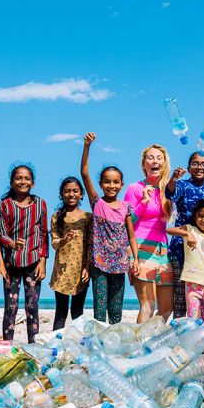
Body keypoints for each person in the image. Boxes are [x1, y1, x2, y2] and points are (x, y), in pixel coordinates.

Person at [81, 133, 140, 324]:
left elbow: (131, 236)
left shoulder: (125, 207)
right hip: (99, 263)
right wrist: (87, 146)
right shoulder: (97, 203)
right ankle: (100, 342)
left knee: (116, 309)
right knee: (100, 309)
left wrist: (136, 260)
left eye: (115, 182)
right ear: (100, 184)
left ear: (122, 185)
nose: (111, 185)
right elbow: (84, 173)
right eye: (107, 181)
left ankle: (114, 344)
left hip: (120, 263)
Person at [166, 151, 204, 318]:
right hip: (181, 247)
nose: (199, 167)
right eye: (195, 163)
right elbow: (170, 193)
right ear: (189, 167)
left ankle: (201, 333)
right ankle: (180, 333)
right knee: (181, 296)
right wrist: (174, 178)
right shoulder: (183, 185)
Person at [0, 164, 48, 343]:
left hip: (33, 263)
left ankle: (33, 345)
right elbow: (1, 234)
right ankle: (7, 345)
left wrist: (43, 262)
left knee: (32, 307)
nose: (23, 181)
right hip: (11, 264)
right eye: (18, 178)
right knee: (10, 308)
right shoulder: (4, 205)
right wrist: (12, 243)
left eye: (27, 178)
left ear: (32, 183)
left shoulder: (40, 204)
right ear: (11, 182)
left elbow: (43, 234)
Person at [125, 143, 173, 322]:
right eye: (150, 158)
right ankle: (140, 345)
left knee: (168, 307)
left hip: (163, 251)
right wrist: (144, 202)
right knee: (148, 304)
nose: (155, 161)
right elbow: (128, 222)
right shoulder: (135, 188)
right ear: (144, 164)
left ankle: (152, 342)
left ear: (164, 163)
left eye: (159, 158)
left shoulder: (167, 192)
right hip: (141, 248)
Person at [167, 199, 204, 323]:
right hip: (192, 284)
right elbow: (169, 231)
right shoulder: (190, 230)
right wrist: (187, 234)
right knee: (194, 319)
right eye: (201, 216)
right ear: (195, 216)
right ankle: (194, 341)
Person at [50, 176, 92, 330]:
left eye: (75, 191)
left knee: (77, 312)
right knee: (61, 312)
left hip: (81, 271)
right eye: (67, 191)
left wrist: (88, 267)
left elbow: (90, 244)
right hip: (62, 270)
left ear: (81, 194)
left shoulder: (88, 217)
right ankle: (56, 345)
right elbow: (54, 243)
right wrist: (64, 240)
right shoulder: (57, 217)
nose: (71, 194)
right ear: (61, 194)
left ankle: (77, 344)